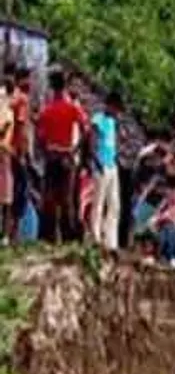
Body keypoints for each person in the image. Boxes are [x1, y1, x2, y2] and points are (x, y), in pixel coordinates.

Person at [35, 69, 89, 243]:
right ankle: (69, 237)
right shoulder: (72, 108)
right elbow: (86, 130)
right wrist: (75, 150)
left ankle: (49, 236)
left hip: (52, 155)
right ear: (65, 85)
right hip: (67, 155)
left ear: (51, 86)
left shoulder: (47, 110)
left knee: (49, 199)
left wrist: (46, 152)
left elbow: (40, 137)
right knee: (67, 199)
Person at [88, 91, 123, 255]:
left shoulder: (113, 122)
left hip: (112, 165)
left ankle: (111, 240)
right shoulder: (98, 120)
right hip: (101, 165)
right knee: (98, 203)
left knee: (114, 203)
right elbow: (92, 144)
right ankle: (95, 236)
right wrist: (97, 162)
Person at [7, 68, 30, 243]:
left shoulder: (7, 99)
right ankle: (13, 235)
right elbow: (21, 128)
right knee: (18, 192)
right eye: (27, 79)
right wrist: (23, 153)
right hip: (16, 152)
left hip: (7, 151)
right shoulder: (21, 99)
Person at [0, 78, 13, 244]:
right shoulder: (6, 110)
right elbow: (4, 129)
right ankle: (5, 236)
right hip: (3, 152)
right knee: (7, 196)